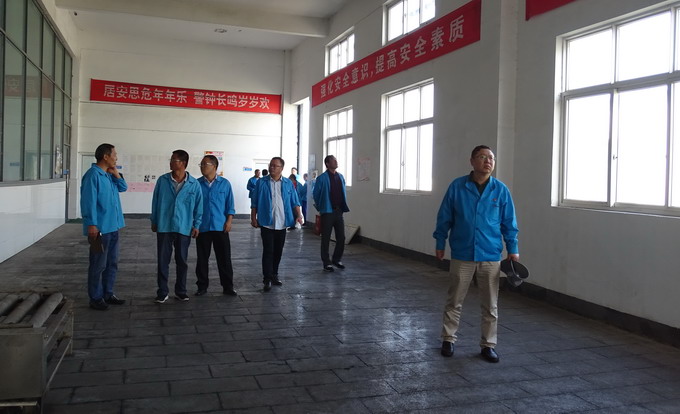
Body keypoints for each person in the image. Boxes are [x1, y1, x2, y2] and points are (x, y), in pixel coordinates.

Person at [433, 145, 519, 363]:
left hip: (490, 255)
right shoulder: (457, 187)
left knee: (490, 304)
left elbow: (509, 223)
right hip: (462, 253)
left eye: (491, 158)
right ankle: (448, 339)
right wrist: (440, 241)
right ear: (472, 161)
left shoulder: (500, 190)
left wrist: (513, 249)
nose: (488, 161)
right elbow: (444, 216)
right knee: (455, 300)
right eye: (482, 157)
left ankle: (488, 345)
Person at [151, 150, 203, 303]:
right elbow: (155, 201)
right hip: (164, 226)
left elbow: (199, 207)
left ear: (183, 163)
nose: (171, 162)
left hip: (184, 227)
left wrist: (196, 225)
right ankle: (162, 292)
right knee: (163, 261)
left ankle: (181, 291)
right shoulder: (162, 181)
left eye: (174, 160)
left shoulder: (194, 184)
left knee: (182, 261)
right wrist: (154, 220)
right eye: (171, 159)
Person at [80, 143, 128, 311]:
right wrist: (91, 224)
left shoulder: (108, 175)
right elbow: (88, 202)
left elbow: (123, 187)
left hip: (113, 227)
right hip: (99, 229)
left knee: (111, 263)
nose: (116, 158)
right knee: (98, 264)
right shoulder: (93, 175)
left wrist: (116, 174)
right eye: (114, 155)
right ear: (105, 157)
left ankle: (108, 293)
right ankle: (95, 297)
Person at [250, 157, 304, 291]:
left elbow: (295, 201)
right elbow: (254, 202)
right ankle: (267, 278)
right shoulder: (261, 182)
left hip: (282, 223)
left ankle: (274, 274)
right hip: (266, 222)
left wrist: (299, 215)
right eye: (271, 165)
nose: (272, 167)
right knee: (268, 250)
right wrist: (253, 217)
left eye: (275, 166)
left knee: (278, 251)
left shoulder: (288, 183)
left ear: (282, 168)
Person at [195, 155, 237, 296]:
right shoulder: (197, 184)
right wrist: (195, 225)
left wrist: (229, 221)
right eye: (201, 164)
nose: (202, 167)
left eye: (204, 164)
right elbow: (193, 206)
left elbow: (230, 205)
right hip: (203, 227)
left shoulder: (225, 184)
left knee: (224, 258)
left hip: (220, 227)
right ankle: (202, 286)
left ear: (214, 166)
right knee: (202, 259)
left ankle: (228, 286)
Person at [313, 155, 350, 272]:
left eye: (336, 160)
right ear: (327, 164)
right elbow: (316, 194)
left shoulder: (340, 177)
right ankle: (326, 262)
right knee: (326, 237)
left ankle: (336, 259)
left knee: (341, 237)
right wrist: (321, 207)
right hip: (327, 211)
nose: (336, 162)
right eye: (333, 160)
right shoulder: (322, 178)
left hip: (339, 211)